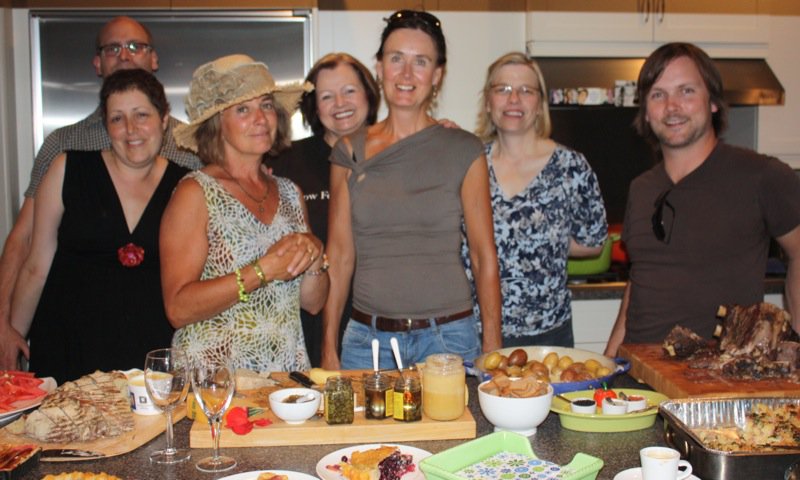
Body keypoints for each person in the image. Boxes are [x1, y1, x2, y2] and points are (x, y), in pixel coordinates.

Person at [0, 15, 201, 369]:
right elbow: (34, 263)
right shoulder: (66, 162)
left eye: (142, 116)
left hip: (155, 353)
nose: (131, 129)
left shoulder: (189, 178)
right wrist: (9, 331)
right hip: (69, 347)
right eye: (117, 119)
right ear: (106, 125)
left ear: (163, 120)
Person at [321, 10, 502, 370]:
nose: (406, 74)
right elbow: (339, 257)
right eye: (396, 59)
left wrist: (493, 347)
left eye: (420, 62)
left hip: (448, 340)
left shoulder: (464, 149)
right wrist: (328, 347)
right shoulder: (349, 151)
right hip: (366, 342)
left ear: (437, 75)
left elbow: (484, 256)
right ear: (379, 67)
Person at [604, 42, 800, 356]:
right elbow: (640, 281)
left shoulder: (761, 176)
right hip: (639, 375)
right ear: (646, 112)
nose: (672, 107)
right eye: (658, 95)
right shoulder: (641, 188)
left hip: (718, 376)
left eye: (686, 91)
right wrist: (611, 360)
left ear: (713, 102)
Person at [162, 54, 328, 371]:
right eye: (242, 109)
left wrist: (316, 257)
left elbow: (314, 303)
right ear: (217, 125)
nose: (261, 118)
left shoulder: (290, 192)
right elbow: (177, 309)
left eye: (266, 105)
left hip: (283, 379)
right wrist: (262, 271)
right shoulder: (195, 193)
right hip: (213, 381)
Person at [465, 52, 607, 348]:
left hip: (548, 335)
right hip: (474, 333)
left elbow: (593, 242)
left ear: (540, 105)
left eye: (526, 90)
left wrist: (542, 243)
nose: (513, 99)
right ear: (488, 102)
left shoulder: (571, 167)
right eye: (502, 89)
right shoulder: (467, 164)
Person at [264, 53, 379, 367]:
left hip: (379, 321)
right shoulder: (284, 161)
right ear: (314, 107)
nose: (340, 103)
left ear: (369, 95)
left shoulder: (395, 155)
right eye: (327, 96)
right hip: (309, 323)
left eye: (349, 91)